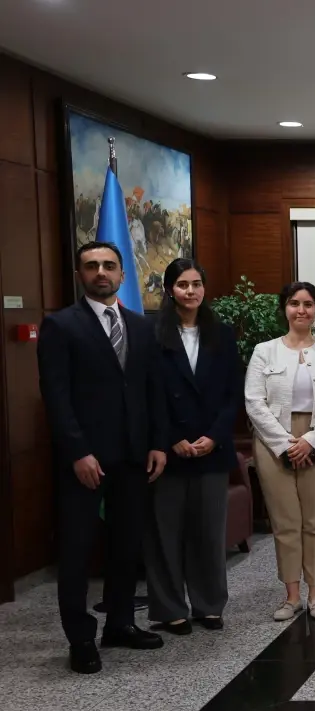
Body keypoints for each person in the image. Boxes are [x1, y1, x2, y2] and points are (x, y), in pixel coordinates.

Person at [37, 241, 169, 674]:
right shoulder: (61, 326)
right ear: (79, 274)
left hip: (133, 455)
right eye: (92, 266)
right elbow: (56, 397)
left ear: (123, 275)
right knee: (77, 549)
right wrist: (78, 451)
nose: (101, 272)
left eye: (109, 266)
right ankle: (80, 638)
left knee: (126, 545)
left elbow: (151, 390)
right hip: (85, 460)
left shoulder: (140, 325)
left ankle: (120, 623)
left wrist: (156, 443)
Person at [145, 258, 242, 635]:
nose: (191, 291)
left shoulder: (222, 333)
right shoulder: (152, 334)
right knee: (165, 533)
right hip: (168, 449)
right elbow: (149, 394)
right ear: (170, 289)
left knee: (208, 532)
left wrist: (215, 436)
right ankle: (170, 608)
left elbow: (233, 393)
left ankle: (209, 604)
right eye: (183, 284)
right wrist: (172, 439)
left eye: (197, 284)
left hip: (211, 448)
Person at [245, 282, 315, 622]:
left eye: (308, 304)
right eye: (294, 303)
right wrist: (286, 443)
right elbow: (254, 402)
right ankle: (291, 595)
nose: (301, 310)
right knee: (286, 522)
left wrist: (312, 441)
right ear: (285, 309)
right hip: (274, 441)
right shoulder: (265, 351)